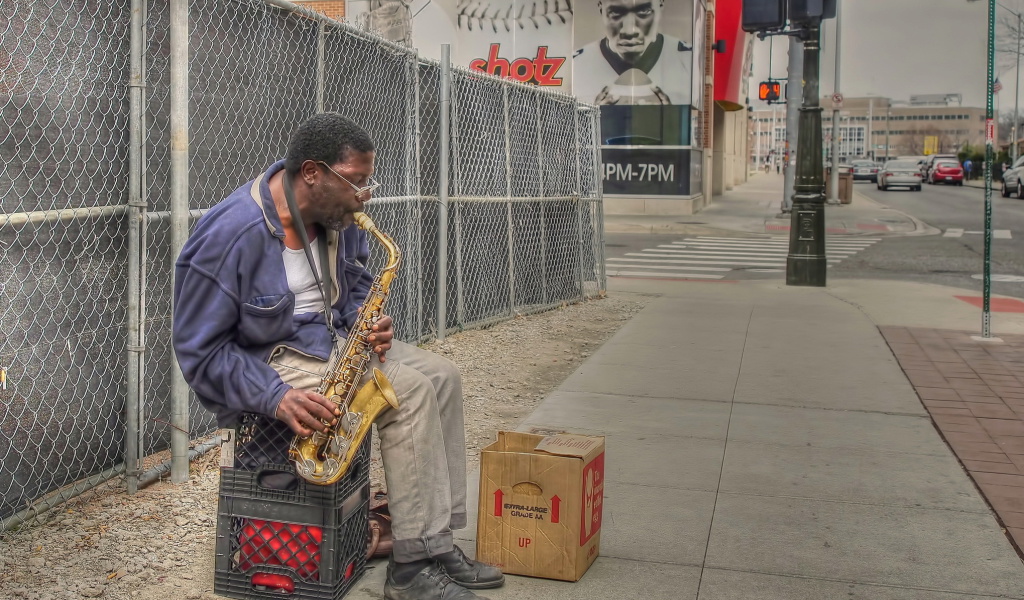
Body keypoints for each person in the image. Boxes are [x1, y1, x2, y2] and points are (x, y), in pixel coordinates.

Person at [172, 113, 502, 600]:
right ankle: (411, 570)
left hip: (332, 342)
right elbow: (199, 352)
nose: (364, 196)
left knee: (442, 375)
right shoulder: (230, 235)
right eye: (357, 181)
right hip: (270, 361)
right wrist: (275, 397)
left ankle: (437, 541)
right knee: (406, 395)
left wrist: (369, 322)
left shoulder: (336, 214)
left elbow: (356, 285)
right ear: (312, 173)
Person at [572, 0, 692, 105]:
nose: (629, 31)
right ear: (601, 9)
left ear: (660, 5)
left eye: (644, 11)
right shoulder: (575, 66)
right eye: (615, 13)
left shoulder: (689, 60)